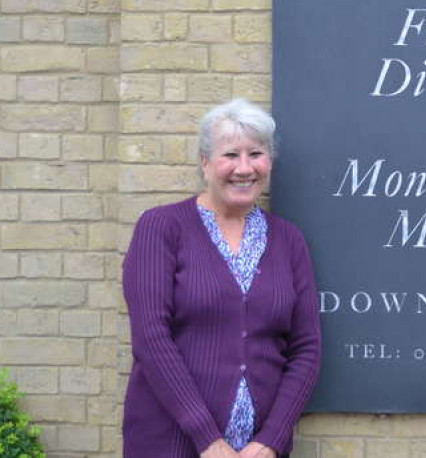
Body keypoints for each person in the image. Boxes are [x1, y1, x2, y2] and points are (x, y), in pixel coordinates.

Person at [122, 99, 320, 458]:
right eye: (230, 154)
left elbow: (306, 349)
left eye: (256, 154)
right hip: (171, 443)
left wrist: (271, 441)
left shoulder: (288, 240)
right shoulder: (162, 228)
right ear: (205, 163)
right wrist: (208, 440)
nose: (244, 168)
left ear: (269, 163)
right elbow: (151, 339)